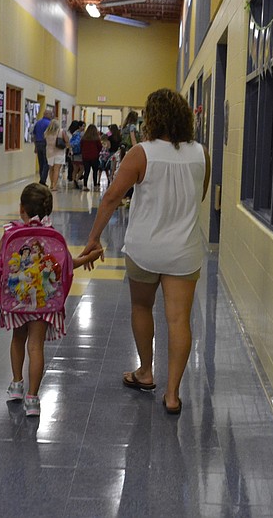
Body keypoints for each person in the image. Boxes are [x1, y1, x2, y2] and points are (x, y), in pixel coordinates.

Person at [80, 88, 210, 415]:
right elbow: (200, 197)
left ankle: (145, 372)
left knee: (142, 307)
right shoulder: (202, 154)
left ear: (152, 118)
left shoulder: (141, 153)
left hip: (145, 248)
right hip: (184, 250)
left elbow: (111, 197)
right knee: (179, 319)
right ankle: (172, 395)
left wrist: (94, 238)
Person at [0, 183, 102, 416]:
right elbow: (69, 263)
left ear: (22, 208)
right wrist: (89, 255)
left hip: (17, 301)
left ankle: (16, 385)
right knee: (36, 346)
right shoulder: (54, 236)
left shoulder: (11, 231)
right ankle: (33, 399)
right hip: (45, 301)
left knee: (17, 341)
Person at [44, 119, 67, 191]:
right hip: (59, 152)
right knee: (57, 169)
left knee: (51, 169)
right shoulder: (61, 131)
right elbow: (66, 140)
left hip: (49, 152)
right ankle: (54, 186)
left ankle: (51, 184)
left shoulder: (47, 132)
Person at [80, 124, 102, 191]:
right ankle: (95, 185)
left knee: (86, 171)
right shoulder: (96, 139)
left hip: (85, 157)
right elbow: (100, 147)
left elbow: (81, 146)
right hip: (94, 157)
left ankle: (85, 185)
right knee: (95, 171)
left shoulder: (84, 138)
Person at [33, 109, 53, 185]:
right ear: (46, 114)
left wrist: (35, 146)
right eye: (50, 114)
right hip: (46, 144)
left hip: (38, 143)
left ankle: (42, 177)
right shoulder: (49, 124)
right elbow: (51, 136)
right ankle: (43, 180)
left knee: (41, 162)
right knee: (46, 162)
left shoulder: (38, 123)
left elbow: (34, 135)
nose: (51, 116)